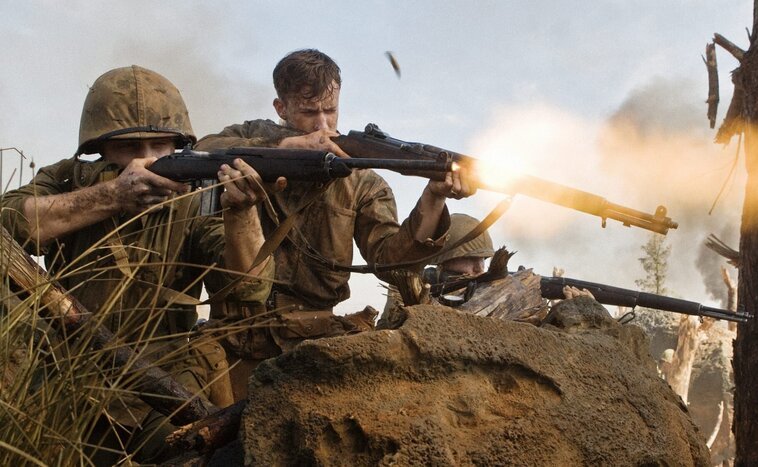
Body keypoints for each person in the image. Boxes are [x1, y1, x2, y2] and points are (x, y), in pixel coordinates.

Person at [1, 65, 273, 464]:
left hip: (164, 375)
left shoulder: (198, 198)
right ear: (100, 150)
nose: (147, 161)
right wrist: (111, 196)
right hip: (66, 375)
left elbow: (251, 290)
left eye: (161, 147)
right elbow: (8, 224)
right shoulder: (66, 179)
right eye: (129, 148)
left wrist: (242, 213)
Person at [195, 49, 475, 400]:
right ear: (281, 109)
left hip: (314, 349)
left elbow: (390, 262)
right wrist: (285, 147)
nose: (323, 126)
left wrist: (434, 197)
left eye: (331, 111)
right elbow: (202, 151)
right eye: (309, 113)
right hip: (233, 346)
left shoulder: (362, 181)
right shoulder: (253, 138)